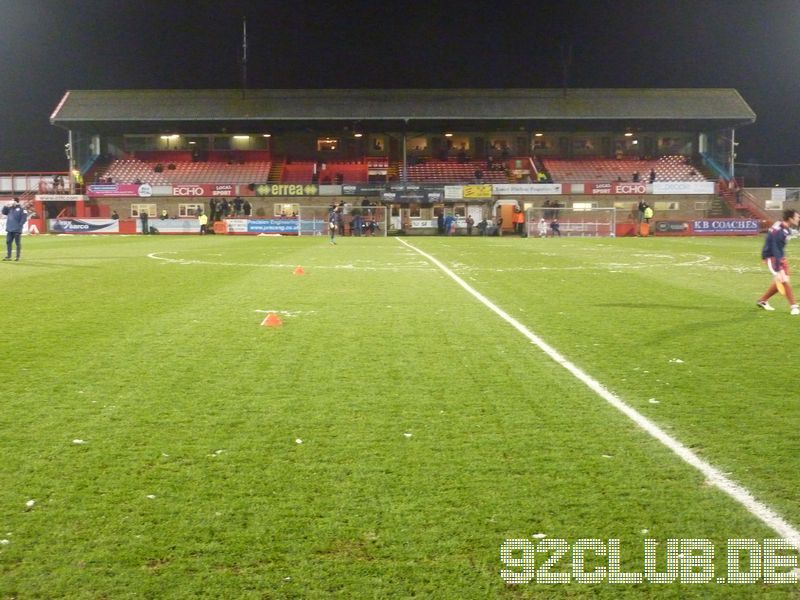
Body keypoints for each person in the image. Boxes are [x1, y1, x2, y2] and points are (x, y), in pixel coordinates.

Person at [757, 208, 800, 314]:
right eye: (797, 217)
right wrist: (778, 267)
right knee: (784, 279)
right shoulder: (780, 232)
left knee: (782, 280)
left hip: (780, 256)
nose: (798, 218)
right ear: (790, 218)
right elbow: (775, 248)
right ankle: (794, 306)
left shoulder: (781, 225)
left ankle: (762, 301)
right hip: (772, 257)